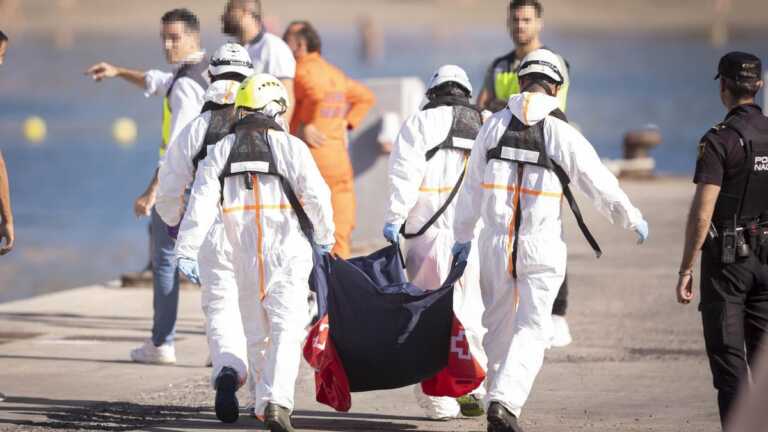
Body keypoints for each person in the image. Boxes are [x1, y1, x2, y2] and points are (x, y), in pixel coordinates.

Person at [452, 49, 648, 432]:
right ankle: (504, 402)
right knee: (532, 328)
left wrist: (461, 238)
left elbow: (470, 188)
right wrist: (632, 218)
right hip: (540, 248)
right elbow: (600, 185)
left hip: (494, 246)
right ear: (556, 87)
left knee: (498, 327)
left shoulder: (490, 127)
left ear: (521, 81)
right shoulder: (562, 133)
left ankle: (498, 400)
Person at [175, 74, 335, 432]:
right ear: (275, 108)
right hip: (287, 251)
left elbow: (199, 203)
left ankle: (266, 403)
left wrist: (186, 249)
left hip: (241, 253)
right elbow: (317, 195)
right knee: (287, 328)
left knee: (256, 333)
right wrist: (325, 236)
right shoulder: (290, 146)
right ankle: (275, 401)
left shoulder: (220, 150)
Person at [86, 8, 209, 364]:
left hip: (180, 188)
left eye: (175, 38)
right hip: (209, 184)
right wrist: (118, 71)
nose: (167, 44)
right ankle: (233, 340)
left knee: (166, 262)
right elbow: (157, 81)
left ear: (192, 37)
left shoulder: (186, 84)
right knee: (218, 262)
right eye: (163, 37)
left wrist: (151, 192)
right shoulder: (204, 70)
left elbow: (177, 149)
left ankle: (161, 343)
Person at [154, 42, 253, 423]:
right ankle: (267, 398)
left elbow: (169, 189)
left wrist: (178, 228)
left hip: (211, 234)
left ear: (210, 77)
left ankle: (227, 369)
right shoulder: (267, 125)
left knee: (222, 311)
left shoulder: (197, 127)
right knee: (261, 315)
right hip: (261, 230)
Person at [382, 64, 487, 420]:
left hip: (424, 234)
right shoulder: (485, 124)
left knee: (426, 315)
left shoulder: (419, 123)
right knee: (471, 310)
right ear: (465, 93)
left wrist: (394, 217)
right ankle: (472, 385)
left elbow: (403, 174)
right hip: (470, 235)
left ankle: (438, 401)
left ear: (433, 92)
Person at [675, 52, 768, 429]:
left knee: (731, 366)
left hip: (727, 266)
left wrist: (685, 267)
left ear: (724, 88)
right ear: (758, 86)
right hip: (766, 259)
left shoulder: (719, 140)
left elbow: (702, 213)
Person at [284, 21, 375, 258]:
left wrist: (300, 126)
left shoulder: (298, 73)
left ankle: (313, 288)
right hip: (339, 160)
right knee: (340, 228)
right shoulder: (335, 73)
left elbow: (310, 97)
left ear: (300, 45)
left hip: (313, 160)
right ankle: (338, 285)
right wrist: (346, 123)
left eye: (287, 42)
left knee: (305, 229)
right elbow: (365, 97)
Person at [221, 0, 296, 125]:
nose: (225, 16)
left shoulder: (273, 46)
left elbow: (288, 98)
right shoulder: (232, 50)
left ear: (246, 13)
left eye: (230, 10)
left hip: (264, 133)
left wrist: (277, 135)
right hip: (237, 133)